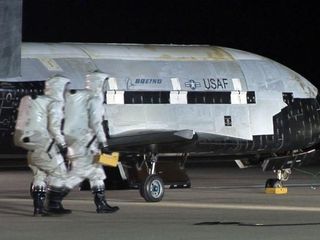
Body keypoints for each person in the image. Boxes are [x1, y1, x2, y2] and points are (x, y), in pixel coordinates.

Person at [14, 76, 71, 216]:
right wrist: (63, 145)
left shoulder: (36, 100)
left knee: (40, 175)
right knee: (61, 174)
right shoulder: (54, 103)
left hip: (30, 145)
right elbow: (54, 127)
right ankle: (54, 205)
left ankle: (38, 209)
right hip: (44, 145)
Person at [64, 72, 119, 213]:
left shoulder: (80, 99)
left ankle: (101, 204)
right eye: (103, 82)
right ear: (99, 83)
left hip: (82, 143)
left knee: (96, 174)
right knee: (77, 175)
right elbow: (96, 123)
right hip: (87, 145)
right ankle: (54, 198)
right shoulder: (93, 99)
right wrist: (104, 143)